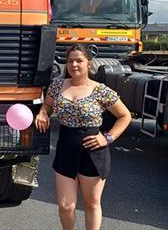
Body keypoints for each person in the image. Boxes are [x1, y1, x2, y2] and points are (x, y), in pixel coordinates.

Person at [35, 44, 132, 230]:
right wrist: (43, 113)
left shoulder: (101, 90)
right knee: (65, 206)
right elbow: (47, 105)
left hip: (93, 151)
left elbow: (125, 116)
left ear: (89, 63)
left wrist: (108, 138)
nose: (74, 65)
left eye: (79, 60)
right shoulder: (57, 86)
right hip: (66, 148)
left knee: (91, 204)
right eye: (70, 61)